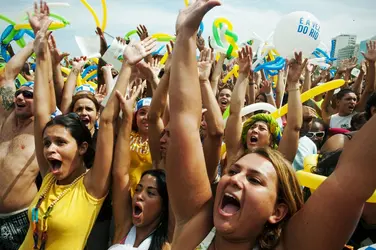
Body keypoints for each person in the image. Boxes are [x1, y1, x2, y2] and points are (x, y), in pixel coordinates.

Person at [165, 1, 376, 249]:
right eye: (233, 171)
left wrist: (295, 84)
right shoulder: (195, 226)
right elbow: (184, 121)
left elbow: (351, 181)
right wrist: (185, 36)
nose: (234, 179)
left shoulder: (295, 245)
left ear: (277, 211)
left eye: (254, 180)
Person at [19, 11, 157, 249]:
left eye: (61, 143)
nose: (50, 149)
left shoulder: (91, 186)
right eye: (47, 143)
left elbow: (105, 122)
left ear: (83, 147)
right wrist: (40, 48)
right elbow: (41, 112)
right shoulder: (49, 178)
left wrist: (126, 65)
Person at [109, 83, 170, 250]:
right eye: (138, 190)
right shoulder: (125, 226)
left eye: (150, 193)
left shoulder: (168, 243)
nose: (140, 195)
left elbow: (158, 119)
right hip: (121, 199)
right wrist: (127, 117)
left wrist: (156, 79)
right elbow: (120, 173)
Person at [226, 45, 305, 164]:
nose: (254, 130)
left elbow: (294, 127)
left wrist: (293, 84)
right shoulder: (236, 155)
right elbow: (235, 114)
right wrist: (242, 74)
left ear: (271, 139)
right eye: (252, 127)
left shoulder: (278, 164)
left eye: (262, 128)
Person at [0, 41, 39, 250]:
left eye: (29, 94)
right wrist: (32, 43)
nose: (20, 97)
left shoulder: (42, 127)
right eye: (19, 93)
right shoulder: (6, 114)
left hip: (19, 219)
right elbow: (8, 75)